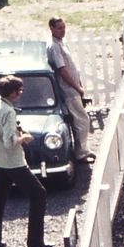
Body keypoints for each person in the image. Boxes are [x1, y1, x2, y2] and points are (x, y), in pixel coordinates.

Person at [0, 75, 53, 247]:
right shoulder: (8, 112)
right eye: (20, 90)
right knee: (39, 194)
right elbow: (10, 142)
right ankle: (34, 241)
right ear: (13, 93)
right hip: (13, 162)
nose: (21, 93)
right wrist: (24, 138)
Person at [46, 16, 94, 163]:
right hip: (68, 90)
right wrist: (77, 87)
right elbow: (62, 69)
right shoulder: (54, 46)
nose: (62, 30)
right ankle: (81, 153)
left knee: (79, 119)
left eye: (64, 27)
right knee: (81, 120)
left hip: (71, 89)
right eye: (59, 28)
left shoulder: (60, 44)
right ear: (52, 29)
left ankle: (81, 149)